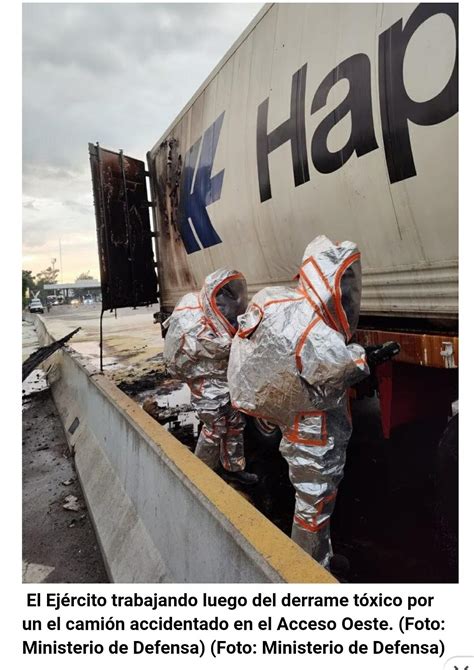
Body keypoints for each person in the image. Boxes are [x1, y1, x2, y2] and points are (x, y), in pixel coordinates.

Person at [228, 235, 370, 566]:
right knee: (314, 496)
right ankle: (309, 569)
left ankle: (319, 555)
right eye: (343, 282)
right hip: (312, 424)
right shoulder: (315, 327)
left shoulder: (285, 304)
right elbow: (340, 365)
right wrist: (365, 357)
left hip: (294, 415)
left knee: (311, 492)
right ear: (326, 281)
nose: (348, 294)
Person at [163, 268, 258, 486]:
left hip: (224, 376)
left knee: (235, 421)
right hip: (204, 380)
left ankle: (233, 468)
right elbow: (205, 346)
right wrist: (236, 343)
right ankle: (199, 476)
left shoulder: (220, 313)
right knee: (214, 427)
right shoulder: (193, 319)